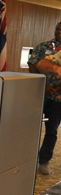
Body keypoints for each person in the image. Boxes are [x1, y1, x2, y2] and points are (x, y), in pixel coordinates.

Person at [28, 21, 61, 175]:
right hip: (38, 93)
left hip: (57, 98)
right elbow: (33, 65)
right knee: (31, 127)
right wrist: (43, 85)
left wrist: (55, 88)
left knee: (52, 130)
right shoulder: (44, 46)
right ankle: (27, 157)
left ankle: (44, 160)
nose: (59, 32)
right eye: (57, 29)